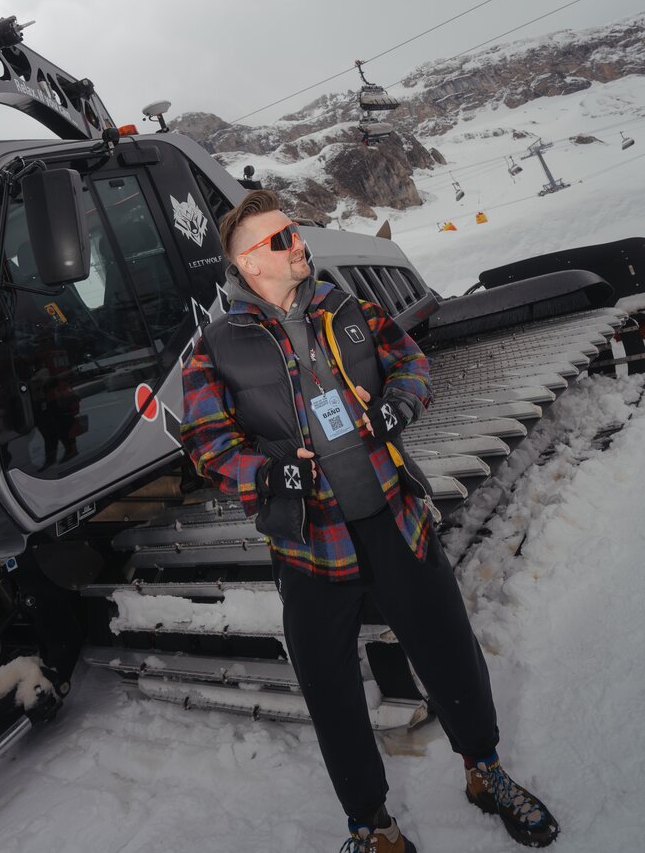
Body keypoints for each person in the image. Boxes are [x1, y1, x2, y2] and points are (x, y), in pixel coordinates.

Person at [180, 190, 559, 852]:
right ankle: (372, 825)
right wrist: (267, 474)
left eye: (294, 231)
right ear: (248, 263)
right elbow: (206, 444)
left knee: (450, 655)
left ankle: (484, 771)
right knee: (330, 692)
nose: (297, 243)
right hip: (309, 546)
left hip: (394, 519)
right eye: (280, 239)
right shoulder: (215, 349)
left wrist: (394, 407)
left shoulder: (347, 309)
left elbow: (411, 363)